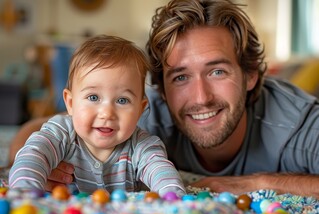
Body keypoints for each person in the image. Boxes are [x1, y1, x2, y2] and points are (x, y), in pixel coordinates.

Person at [9, 0, 319, 198]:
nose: (200, 98)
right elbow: (32, 133)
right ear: (160, 88)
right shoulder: (136, 112)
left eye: (217, 72)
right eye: (180, 77)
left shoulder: (298, 125)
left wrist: (257, 183)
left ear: (250, 75)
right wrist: (43, 167)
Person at [8, 34, 186, 197]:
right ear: (70, 103)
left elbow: (161, 172)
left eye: (122, 100)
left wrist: (172, 196)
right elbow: (33, 156)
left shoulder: (143, 146)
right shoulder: (61, 133)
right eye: (93, 97)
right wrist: (25, 193)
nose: (107, 113)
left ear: (140, 109)